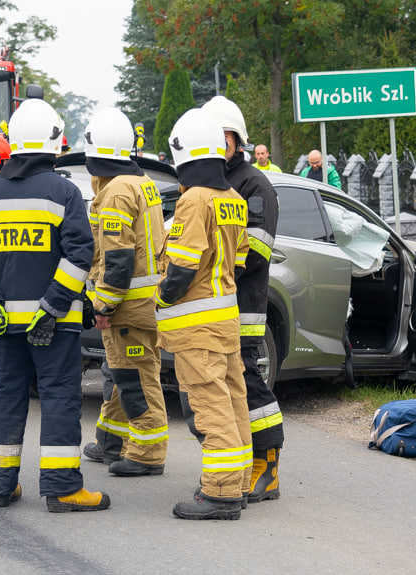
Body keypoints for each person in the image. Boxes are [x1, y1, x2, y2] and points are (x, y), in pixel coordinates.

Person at [0, 98, 110, 512]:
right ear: (54, 143)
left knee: (5, 396)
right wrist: (53, 306)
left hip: (3, 325)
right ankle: (61, 489)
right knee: (59, 398)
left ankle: (2, 485)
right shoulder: (64, 192)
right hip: (52, 325)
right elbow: (80, 254)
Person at [156, 108, 252, 520]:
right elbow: (242, 259)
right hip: (225, 320)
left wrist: (160, 300)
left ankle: (221, 493)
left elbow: (180, 268)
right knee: (233, 402)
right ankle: (239, 480)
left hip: (196, 326)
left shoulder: (193, 200)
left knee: (210, 405)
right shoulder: (232, 199)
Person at [203, 95, 283, 503]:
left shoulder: (255, 185)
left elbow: (257, 251)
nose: (218, 144)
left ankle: (266, 468)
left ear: (239, 141)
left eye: (225, 137)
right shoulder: (207, 182)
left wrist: (209, 269)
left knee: (250, 385)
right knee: (221, 392)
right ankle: (234, 467)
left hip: (243, 306)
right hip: (212, 306)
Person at [80, 107, 168, 477]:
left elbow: (117, 259)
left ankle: (147, 454)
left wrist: (103, 304)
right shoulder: (140, 181)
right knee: (121, 373)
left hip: (127, 305)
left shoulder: (115, 192)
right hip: (142, 303)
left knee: (136, 378)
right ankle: (111, 441)